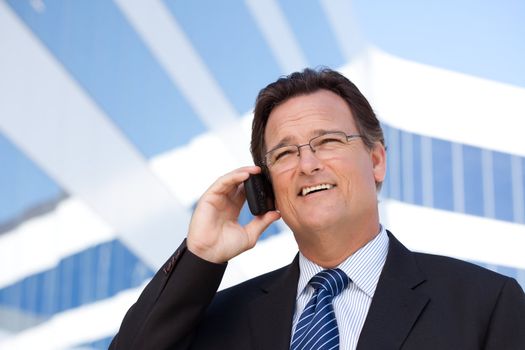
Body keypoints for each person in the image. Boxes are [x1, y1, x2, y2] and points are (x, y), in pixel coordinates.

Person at [110, 68, 525, 349]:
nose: (308, 164)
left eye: (328, 141)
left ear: (376, 160)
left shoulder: (485, 303)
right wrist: (201, 255)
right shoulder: (219, 319)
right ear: (266, 184)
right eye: (286, 153)